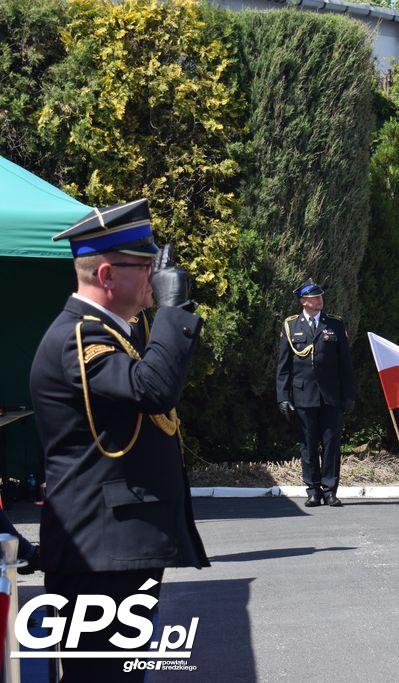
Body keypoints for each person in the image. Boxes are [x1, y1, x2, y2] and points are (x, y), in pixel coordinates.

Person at [29, 198, 208, 681]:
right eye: (145, 266)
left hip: (115, 549)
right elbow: (151, 389)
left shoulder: (111, 332)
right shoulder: (80, 337)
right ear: (107, 275)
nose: (155, 276)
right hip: (96, 552)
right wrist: (173, 311)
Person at [276, 279, 356, 507]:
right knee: (308, 444)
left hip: (331, 395)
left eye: (320, 296)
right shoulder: (292, 326)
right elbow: (283, 366)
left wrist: (349, 395)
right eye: (315, 298)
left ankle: (330, 490)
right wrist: (282, 397)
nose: (320, 300)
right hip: (304, 395)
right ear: (304, 302)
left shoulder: (335, 325)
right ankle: (313, 490)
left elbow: (345, 365)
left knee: (331, 444)